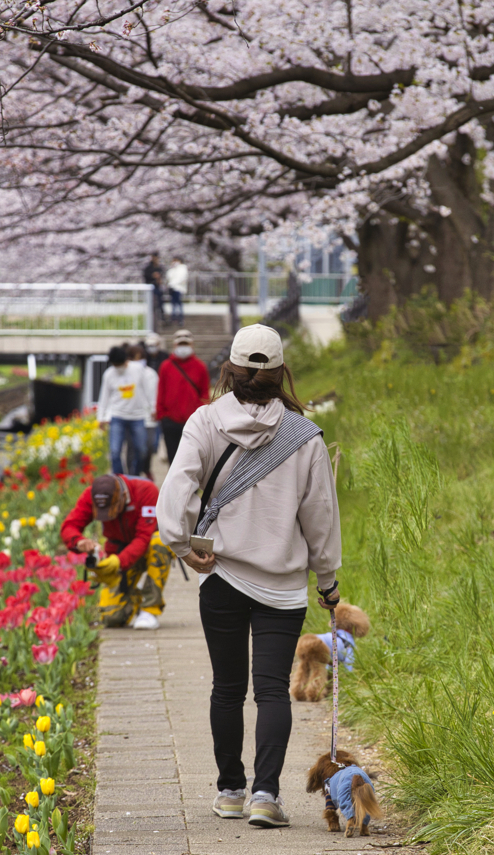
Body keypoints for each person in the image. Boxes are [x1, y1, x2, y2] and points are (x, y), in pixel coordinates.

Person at [157, 323, 341, 828]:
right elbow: (320, 516)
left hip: (221, 577)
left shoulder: (205, 421)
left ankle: (230, 791)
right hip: (282, 584)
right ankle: (266, 796)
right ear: (281, 372)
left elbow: (175, 491)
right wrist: (327, 580)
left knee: (226, 689)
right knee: (272, 691)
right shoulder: (304, 436)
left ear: (230, 370)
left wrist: (180, 544)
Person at [60, 472, 172, 630]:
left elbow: (143, 537)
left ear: (124, 495)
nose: (108, 516)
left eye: (113, 509)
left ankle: (150, 610)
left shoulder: (146, 491)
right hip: (117, 551)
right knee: (112, 618)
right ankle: (135, 598)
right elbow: (68, 527)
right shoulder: (90, 495)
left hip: (146, 549)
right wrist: (79, 542)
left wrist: (118, 562)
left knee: (160, 542)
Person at [155, 328, 209, 463]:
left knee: (192, 459)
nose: (183, 348)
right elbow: (161, 391)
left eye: (186, 344)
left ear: (192, 345)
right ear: (174, 345)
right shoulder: (166, 366)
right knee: (172, 459)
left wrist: (201, 414)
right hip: (170, 420)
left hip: (192, 421)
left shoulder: (200, 366)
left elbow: (204, 393)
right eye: (180, 344)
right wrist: (162, 415)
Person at [97, 345, 151, 476]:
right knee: (115, 451)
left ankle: (134, 475)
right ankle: (120, 478)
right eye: (115, 365)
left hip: (137, 416)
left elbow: (147, 390)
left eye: (120, 364)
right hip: (117, 416)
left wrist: (151, 408)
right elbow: (104, 397)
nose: (118, 368)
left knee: (141, 450)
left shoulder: (138, 369)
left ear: (126, 360)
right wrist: (101, 418)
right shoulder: (109, 374)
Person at [129, 343, 159, 478]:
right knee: (132, 449)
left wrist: (153, 410)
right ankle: (133, 475)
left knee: (147, 448)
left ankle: (145, 469)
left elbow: (154, 394)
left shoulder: (150, 374)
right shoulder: (126, 374)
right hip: (131, 417)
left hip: (147, 417)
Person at [143, 252, 166, 325]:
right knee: (152, 304)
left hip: (157, 287)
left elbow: (162, 275)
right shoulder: (148, 268)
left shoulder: (159, 267)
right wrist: (152, 276)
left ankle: (162, 317)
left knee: (160, 303)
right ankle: (154, 318)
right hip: (151, 288)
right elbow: (145, 276)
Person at [165, 257, 188, 327]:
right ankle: (173, 317)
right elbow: (168, 277)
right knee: (173, 303)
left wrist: (172, 284)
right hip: (172, 288)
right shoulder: (172, 270)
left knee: (178, 303)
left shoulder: (182, 269)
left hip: (179, 288)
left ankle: (180, 318)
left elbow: (181, 278)